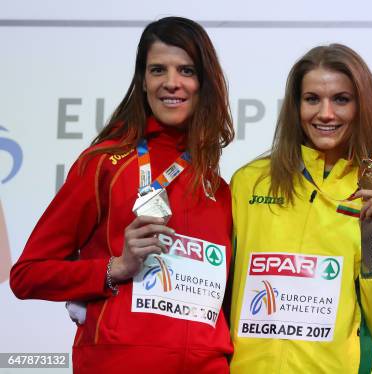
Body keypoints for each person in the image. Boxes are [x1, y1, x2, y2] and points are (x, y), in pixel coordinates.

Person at [10, 17, 234, 373]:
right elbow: (28, 274)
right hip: (119, 362)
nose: (171, 83)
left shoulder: (218, 189)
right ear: (142, 82)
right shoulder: (104, 164)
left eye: (186, 70)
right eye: (158, 70)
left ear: (204, 83)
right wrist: (116, 268)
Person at [229, 44, 372, 373]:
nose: (325, 113)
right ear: (295, 106)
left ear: (362, 107)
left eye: (341, 99)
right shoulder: (249, 184)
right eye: (312, 99)